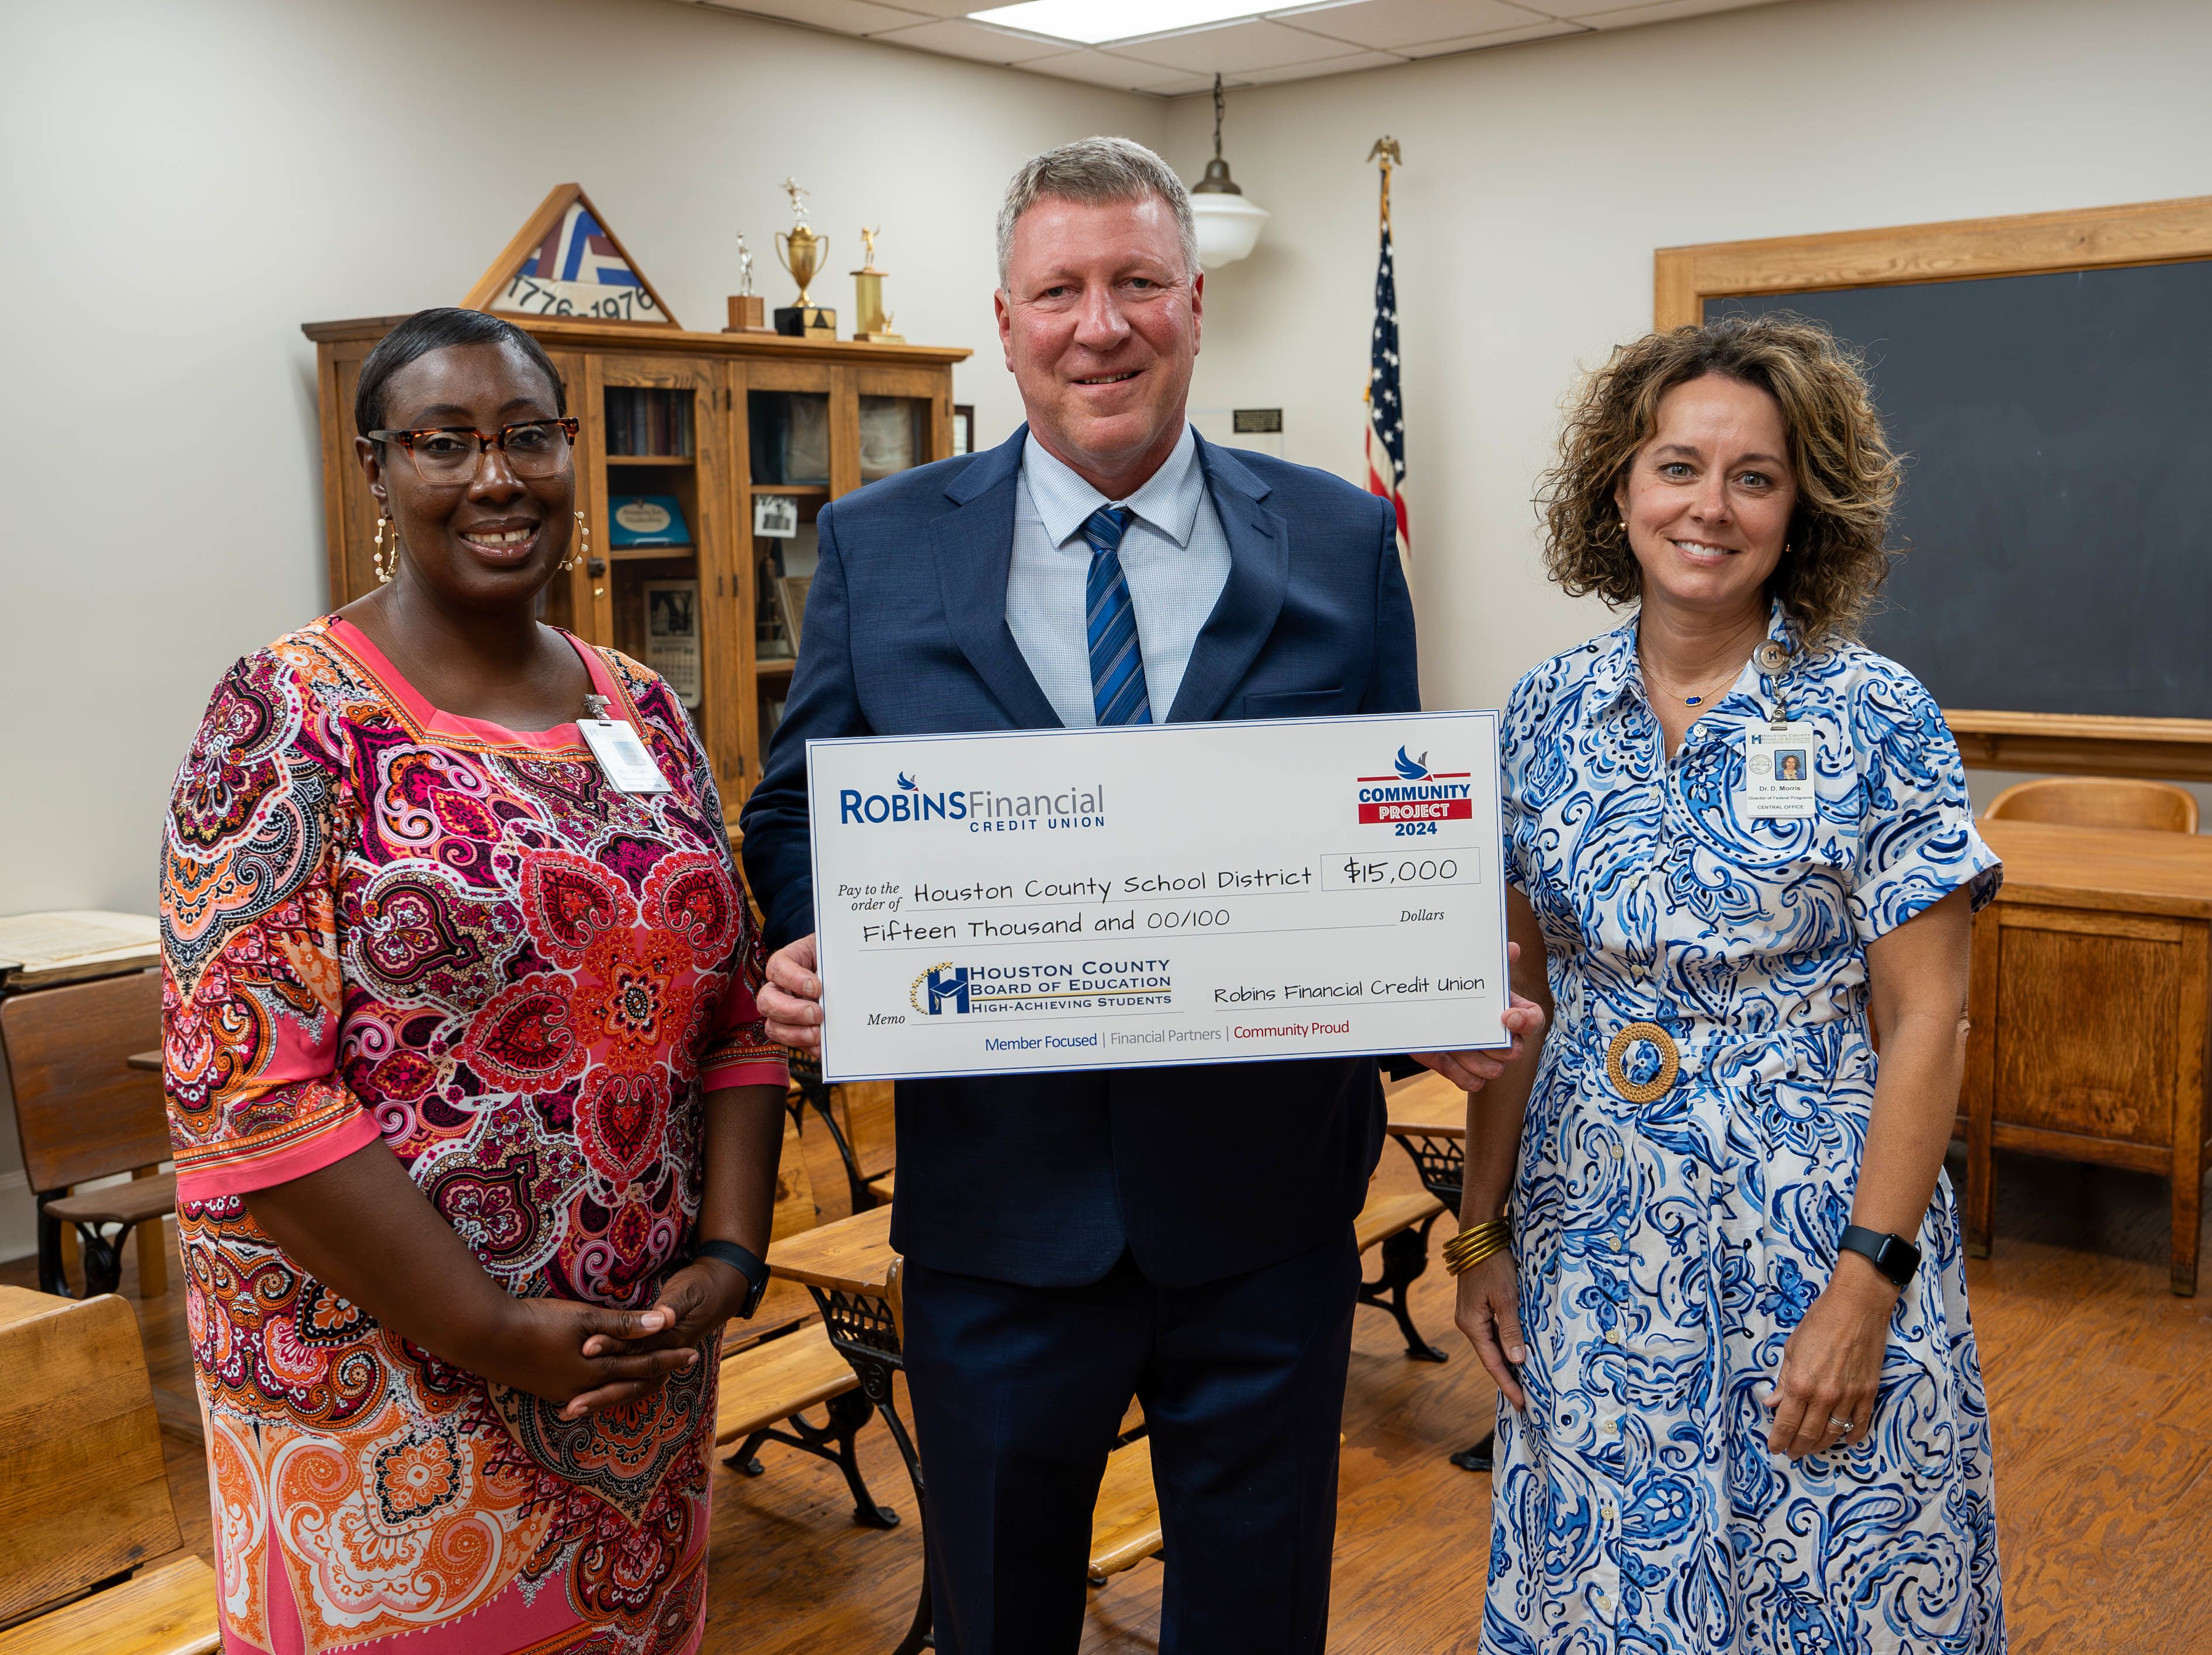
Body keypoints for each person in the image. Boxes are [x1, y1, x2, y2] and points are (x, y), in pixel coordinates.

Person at [738, 137, 1537, 1654]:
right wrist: (806, 941)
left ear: (1193, 303)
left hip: (1265, 1212)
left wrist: (1422, 988)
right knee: (999, 1625)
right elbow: (796, 811)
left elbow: (1380, 821)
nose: (1097, 324)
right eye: (1060, 290)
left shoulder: (1337, 537)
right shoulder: (879, 544)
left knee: (1251, 1624)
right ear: (1006, 316)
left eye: (1135, 284)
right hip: (996, 1219)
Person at [160, 307, 788, 1655]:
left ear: (571, 452)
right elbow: (249, 1093)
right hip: (391, 1392)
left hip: (638, 1365)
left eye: (527, 438)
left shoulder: (642, 709)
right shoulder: (289, 712)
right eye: (443, 443)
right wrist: (491, 1328)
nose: (496, 478)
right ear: (378, 467)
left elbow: (733, 1013)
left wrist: (730, 1254)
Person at [1455, 312, 2005, 1652]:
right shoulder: (1540, 713)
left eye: (1754, 476)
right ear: (1620, 490)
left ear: (1801, 508)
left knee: (1838, 1588)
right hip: (1596, 1248)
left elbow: (1927, 1016)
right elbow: (1519, 1006)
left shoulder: (1877, 712)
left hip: (1817, 1239)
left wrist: (1868, 1285)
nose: (1711, 507)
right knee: (1608, 1597)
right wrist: (1480, 1240)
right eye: (1677, 467)